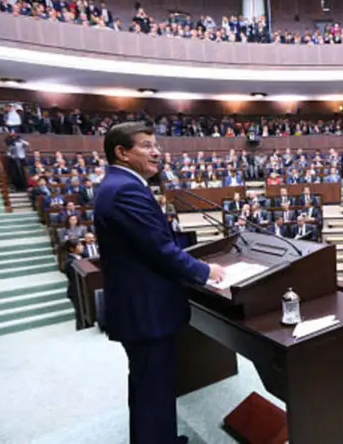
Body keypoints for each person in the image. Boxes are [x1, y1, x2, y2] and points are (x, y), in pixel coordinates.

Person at [93, 122, 225, 444]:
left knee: (146, 386)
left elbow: (147, 243)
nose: (156, 152)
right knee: (154, 388)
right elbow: (159, 250)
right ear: (122, 153)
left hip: (138, 306)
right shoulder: (125, 189)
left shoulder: (116, 185)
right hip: (146, 310)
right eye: (146, 145)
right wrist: (207, 272)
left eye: (157, 145)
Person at [62, 238, 85, 330]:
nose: (82, 247)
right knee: (80, 313)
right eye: (79, 245)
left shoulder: (82, 256)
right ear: (72, 249)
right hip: (76, 291)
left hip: (83, 290)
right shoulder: (70, 262)